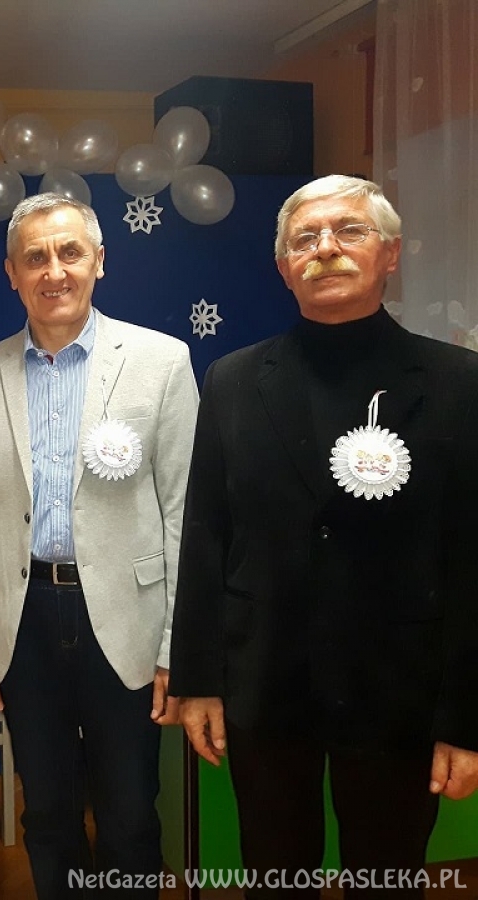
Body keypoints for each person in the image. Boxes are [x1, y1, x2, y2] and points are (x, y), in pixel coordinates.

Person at [170, 175, 478, 897]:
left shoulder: (459, 383)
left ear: (390, 253)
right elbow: (205, 536)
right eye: (304, 239)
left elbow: (471, 559)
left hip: (401, 693)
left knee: (387, 878)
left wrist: (466, 718)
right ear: (283, 268)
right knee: (274, 875)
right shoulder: (232, 381)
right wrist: (197, 682)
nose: (325, 249)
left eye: (349, 232)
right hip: (266, 685)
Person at [0, 193, 199, 899]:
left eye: (69, 253)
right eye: (35, 257)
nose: (53, 271)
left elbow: (184, 514)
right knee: (50, 813)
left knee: (129, 813)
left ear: (99, 262)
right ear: (11, 273)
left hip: (126, 619)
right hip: (22, 622)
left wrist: (176, 647)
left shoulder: (161, 362)